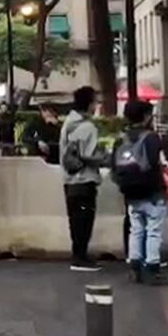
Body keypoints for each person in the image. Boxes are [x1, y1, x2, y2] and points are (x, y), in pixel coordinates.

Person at [112, 100, 168, 285]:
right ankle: (153, 267)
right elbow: (155, 163)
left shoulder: (121, 139)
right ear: (145, 116)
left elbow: (113, 165)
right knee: (154, 230)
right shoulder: (151, 138)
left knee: (135, 229)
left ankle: (134, 266)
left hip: (131, 192)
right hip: (152, 191)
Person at [59, 86, 108, 272]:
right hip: (84, 179)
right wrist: (105, 156)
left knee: (75, 220)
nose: (96, 105)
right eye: (95, 101)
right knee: (84, 221)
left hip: (69, 180)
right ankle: (81, 258)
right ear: (89, 104)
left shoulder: (68, 123)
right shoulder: (87, 127)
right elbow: (90, 154)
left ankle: (78, 255)